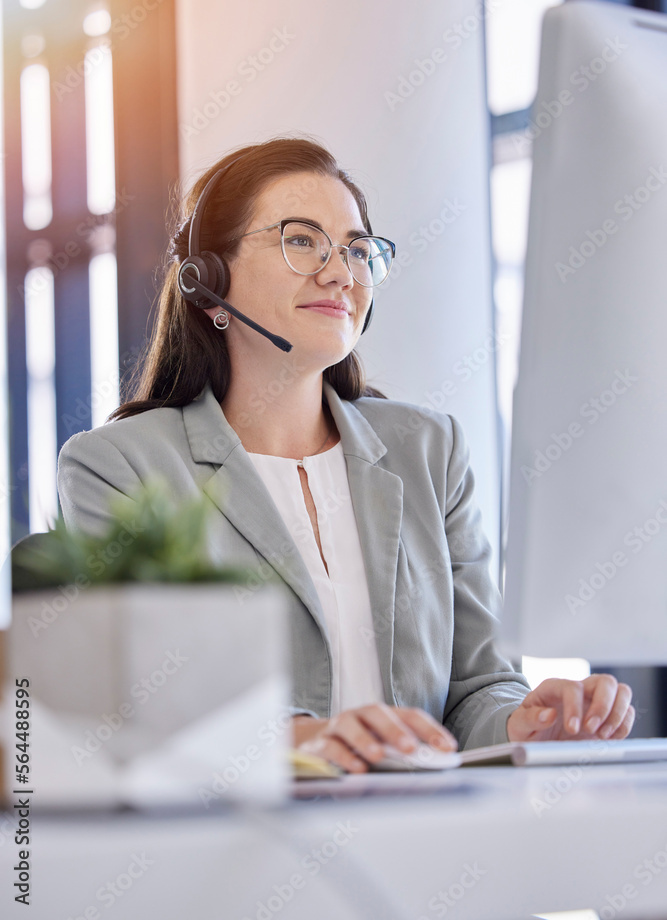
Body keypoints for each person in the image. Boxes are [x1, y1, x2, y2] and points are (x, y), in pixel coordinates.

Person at [57, 137, 635, 773]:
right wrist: (299, 739)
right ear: (207, 278)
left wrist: (527, 722)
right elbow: (137, 698)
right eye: (302, 240)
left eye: (358, 250)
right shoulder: (119, 468)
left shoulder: (429, 451)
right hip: (239, 851)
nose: (340, 272)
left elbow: (477, 689)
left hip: (426, 840)